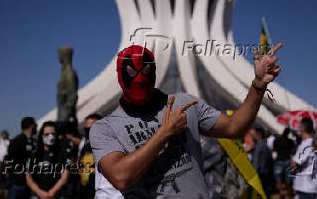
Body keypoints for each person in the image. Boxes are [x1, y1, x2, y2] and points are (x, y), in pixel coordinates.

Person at [89, 43, 283, 198]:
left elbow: (235, 128)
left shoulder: (184, 104)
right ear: (121, 76)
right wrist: (164, 133)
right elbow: (121, 178)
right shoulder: (104, 128)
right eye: (132, 72)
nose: (140, 78)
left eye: (146, 71)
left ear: (153, 73)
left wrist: (258, 86)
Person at [77, 113, 123, 199]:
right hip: (92, 192)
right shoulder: (84, 144)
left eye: (92, 128)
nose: (89, 132)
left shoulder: (114, 142)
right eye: (86, 129)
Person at [26, 121, 70, 198]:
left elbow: (64, 177)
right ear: (41, 136)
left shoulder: (63, 154)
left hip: (57, 195)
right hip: (37, 195)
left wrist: (51, 193)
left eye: (53, 134)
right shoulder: (34, 155)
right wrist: (41, 193)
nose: (51, 137)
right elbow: (29, 178)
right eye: (47, 134)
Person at [6, 117, 38, 199]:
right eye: (35, 125)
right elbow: (7, 160)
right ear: (31, 126)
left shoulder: (35, 142)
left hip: (32, 184)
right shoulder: (17, 141)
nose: (37, 127)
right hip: (18, 184)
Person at [291, 117, 317, 199]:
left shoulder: (307, 144)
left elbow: (294, 164)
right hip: (305, 186)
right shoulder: (309, 143)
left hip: (305, 187)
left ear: (302, 128)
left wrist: (292, 159)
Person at [251, 127, 274, 198]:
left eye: (254, 134)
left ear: (258, 135)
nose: (253, 136)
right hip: (265, 171)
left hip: (259, 172)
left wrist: (253, 172)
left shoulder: (259, 145)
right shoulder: (265, 144)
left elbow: (257, 160)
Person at [273, 128, 295, 199]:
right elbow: (294, 151)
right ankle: (287, 195)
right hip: (287, 160)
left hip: (279, 160)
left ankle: (280, 192)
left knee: (278, 179)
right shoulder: (290, 141)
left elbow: (273, 149)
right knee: (288, 179)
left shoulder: (277, 139)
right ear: (288, 133)